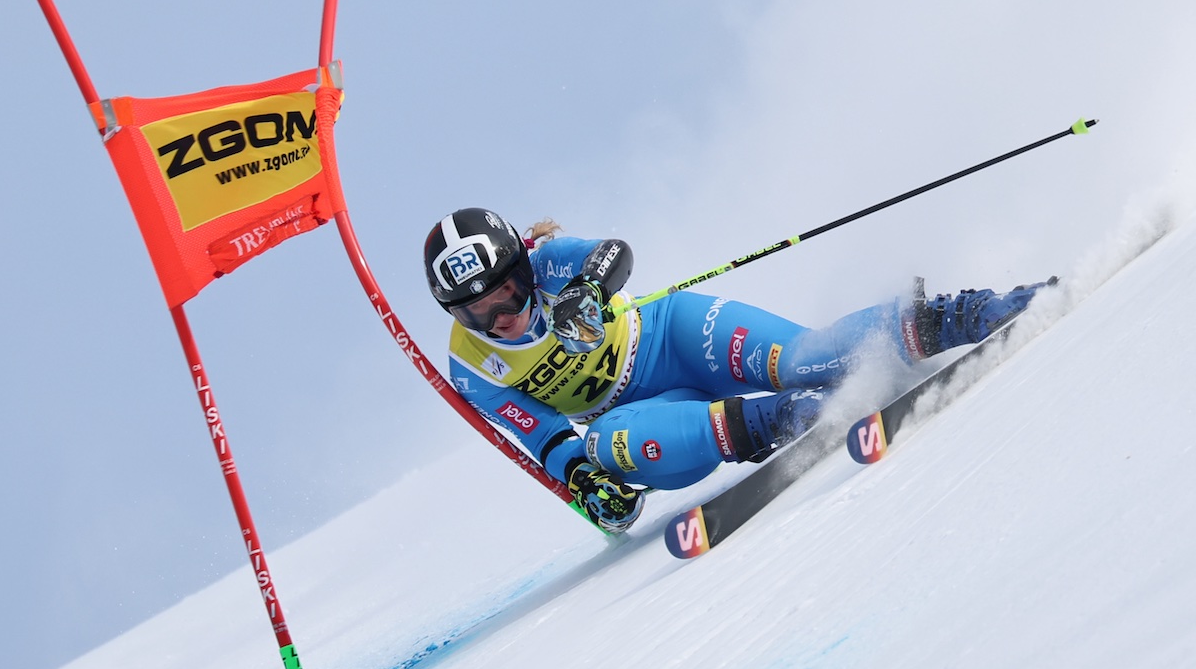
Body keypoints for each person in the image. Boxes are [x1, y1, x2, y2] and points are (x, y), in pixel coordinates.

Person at [424, 207, 1049, 533]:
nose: (502, 317)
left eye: (507, 293)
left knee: (805, 358)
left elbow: (614, 254)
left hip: (671, 336)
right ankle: (790, 418)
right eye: (477, 312)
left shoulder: (549, 260)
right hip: (637, 414)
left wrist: (586, 291)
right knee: (604, 446)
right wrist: (586, 483)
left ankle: (965, 315)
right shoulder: (472, 365)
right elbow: (543, 436)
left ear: (523, 267)